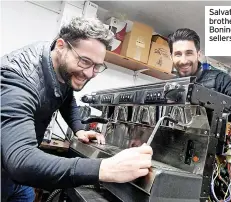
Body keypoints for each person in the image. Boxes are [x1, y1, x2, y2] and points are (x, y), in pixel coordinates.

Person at [1, 17, 153, 202]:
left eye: (97, 66)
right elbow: (21, 160)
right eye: (84, 61)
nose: (90, 73)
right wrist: (105, 169)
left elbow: (66, 98)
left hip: (15, 178)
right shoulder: (19, 80)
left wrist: (79, 128)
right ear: (61, 45)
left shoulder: (57, 64)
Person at [168, 28, 231, 103]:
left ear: (198, 54)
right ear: (171, 56)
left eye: (189, 53)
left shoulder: (218, 78)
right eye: (178, 54)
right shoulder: (169, 85)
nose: (183, 60)